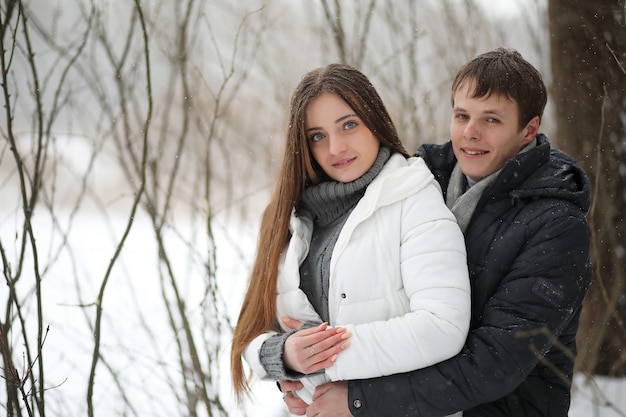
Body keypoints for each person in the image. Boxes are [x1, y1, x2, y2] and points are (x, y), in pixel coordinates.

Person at [282, 48, 593, 416]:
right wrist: (296, 369)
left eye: (491, 120)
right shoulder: (417, 178)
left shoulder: (557, 227)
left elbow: (498, 360)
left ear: (529, 130)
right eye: (462, 115)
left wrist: (359, 398)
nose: (470, 133)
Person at [230, 63, 471, 414]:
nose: (336, 147)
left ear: (375, 121)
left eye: (349, 125)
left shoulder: (414, 199)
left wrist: (324, 360)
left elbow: (443, 326)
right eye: (317, 136)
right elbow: (252, 331)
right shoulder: (288, 217)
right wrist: (284, 355)